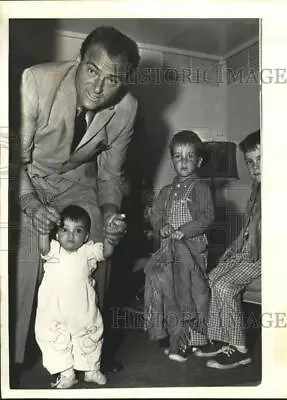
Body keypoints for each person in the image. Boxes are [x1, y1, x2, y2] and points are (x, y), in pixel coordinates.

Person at [10, 25, 140, 380]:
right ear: (79, 60)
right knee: (23, 243)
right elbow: (13, 160)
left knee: (98, 234)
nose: (97, 88)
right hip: (26, 177)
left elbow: (110, 176)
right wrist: (31, 205)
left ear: (124, 83)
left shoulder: (127, 109)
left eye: (112, 80)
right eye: (93, 70)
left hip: (75, 184)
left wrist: (112, 213)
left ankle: (89, 350)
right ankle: (14, 353)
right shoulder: (36, 81)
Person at [144, 130, 215, 362]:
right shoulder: (166, 191)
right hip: (168, 251)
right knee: (169, 293)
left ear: (199, 160)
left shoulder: (202, 188)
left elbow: (207, 217)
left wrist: (184, 230)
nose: (183, 162)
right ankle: (178, 337)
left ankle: (197, 339)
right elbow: (155, 215)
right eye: (178, 156)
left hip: (193, 250)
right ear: (172, 159)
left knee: (195, 293)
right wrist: (162, 225)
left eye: (189, 156)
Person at [35, 205, 121, 389]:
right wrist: (44, 229)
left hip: (82, 306)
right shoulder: (54, 249)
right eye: (64, 229)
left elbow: (106, 252)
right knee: (54, 337)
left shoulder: (87, 251)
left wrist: (110, 236)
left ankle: (91, 369)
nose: (71, 235)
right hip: (54, 307)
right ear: (57, 234)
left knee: (90, 333)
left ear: (86, 236)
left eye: (78, 230)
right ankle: (66, 373)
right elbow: (42, 247)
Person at [196, 130, 261, 369]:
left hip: (264, 256)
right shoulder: (257, 188)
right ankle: (222, 338)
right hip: (247, 250)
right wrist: (233, 248)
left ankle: (240, 349)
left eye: (261, 160)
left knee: (224, 285)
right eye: (250, 162)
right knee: (212, 277)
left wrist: (248, 253)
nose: (255, 167)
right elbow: (247, 226)